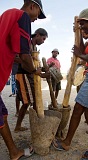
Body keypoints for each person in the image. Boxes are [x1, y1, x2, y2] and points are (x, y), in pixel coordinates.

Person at [53, 8, 88, 160]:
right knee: (77, 109)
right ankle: (66, 142)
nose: (82, 27)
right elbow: (84, 50)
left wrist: (78, 54)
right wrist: (77, 36)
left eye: (83, 24)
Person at [0, 0, 47, 159]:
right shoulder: (23, 16)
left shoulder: (7, 14)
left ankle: (13, 151)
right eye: (38, 15)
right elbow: (24, 56)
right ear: (32, 6)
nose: (36, 19)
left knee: (2, 113)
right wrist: (35, 71)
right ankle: (13, 152)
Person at [14, 28, 48, 132]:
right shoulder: (26, 43)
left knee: (30, 100)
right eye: (43, 39)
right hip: (22, 74)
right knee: (26, 102)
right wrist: (32, 66)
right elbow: (15, 58)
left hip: (29, 74)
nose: (43, 41)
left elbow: (33, 65)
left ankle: (22, 125)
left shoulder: (34, 47)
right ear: (37, 35)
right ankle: (19, 126)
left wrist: (41, 70)